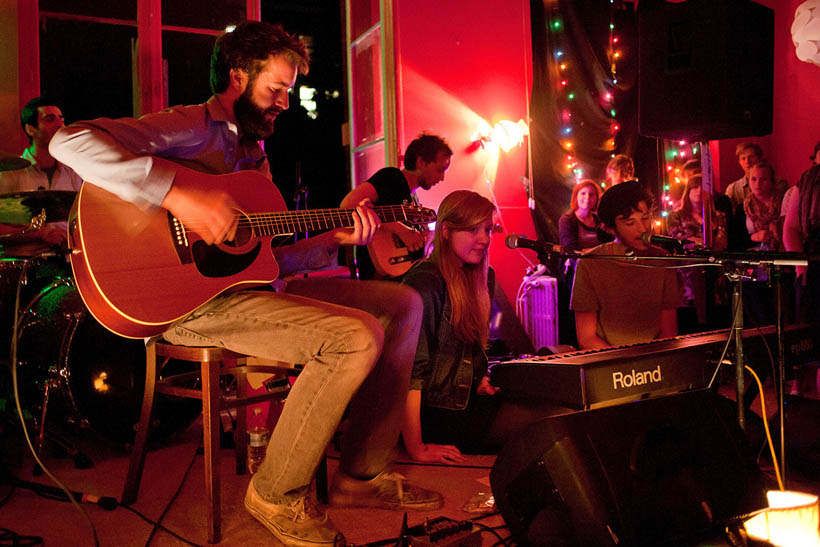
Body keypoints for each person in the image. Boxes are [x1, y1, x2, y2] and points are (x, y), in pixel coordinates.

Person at [50, 21, 441, 547]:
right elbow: (67, 142)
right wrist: (175, 195)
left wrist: (340, 237)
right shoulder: (191, 126)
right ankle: (276, 493)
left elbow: (266, 259)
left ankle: (358, 477)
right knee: (354, 335)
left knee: (403, 304)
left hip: (247, 292)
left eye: (290, 90)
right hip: (190, 307)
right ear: (237, 77)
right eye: (275, 88)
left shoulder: (256, 157)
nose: (285, 102)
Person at [400, 190, 566, 463]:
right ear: (445, 231)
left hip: (466, 402)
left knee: (559, 402)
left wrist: (478, 381)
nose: (484, 239)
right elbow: (410, 374)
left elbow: (468, 353)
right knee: (549, 420)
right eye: (473, 230)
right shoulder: (425, 283)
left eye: (487, 229)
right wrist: (417, 448)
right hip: (434, 414)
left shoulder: (482, 277)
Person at [570, 181, 679, 349]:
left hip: (655, 363)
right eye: (630, 223)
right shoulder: (590, 264)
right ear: (610, 228)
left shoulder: (662, 260)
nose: (642, 228)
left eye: (645, 218)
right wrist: (626, 367)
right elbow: (587, 337)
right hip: (609, 366)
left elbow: (669, 332)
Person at [339, 133, 452, 279]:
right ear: (421, 162)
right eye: (439, 170)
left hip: (401, 272)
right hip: (378, 274)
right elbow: (348, 205)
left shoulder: (413, 200)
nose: (442, 178)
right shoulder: (391, 177)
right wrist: (400, 230)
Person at [0, 97, 83, 250]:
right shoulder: (10, 173)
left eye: (61, 119)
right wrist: (41, 233)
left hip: (69, 260)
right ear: (30, 129)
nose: (60, 124)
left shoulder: (73, 171)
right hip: (27, 261)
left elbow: (82, 217)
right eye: (50, 119)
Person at [667, 175, 728, 332]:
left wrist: (705, 243)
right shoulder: (677, 215)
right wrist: (703, 242)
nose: (699, 191)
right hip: (689, 264)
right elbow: (678, 238)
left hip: (713, 261)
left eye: (703, 187)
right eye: (695, 187)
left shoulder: (718, 216)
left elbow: (722, 240)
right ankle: (701, 322)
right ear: (688, 191)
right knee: (696, 271)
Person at [724, 142, 763, 214]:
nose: (747, 161)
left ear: (759, 158)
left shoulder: (778, 183)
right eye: (743, 158)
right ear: (739, 162)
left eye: (751, 157)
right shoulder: (733, 189)